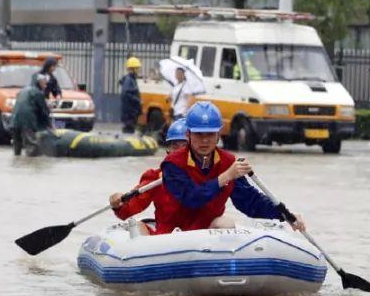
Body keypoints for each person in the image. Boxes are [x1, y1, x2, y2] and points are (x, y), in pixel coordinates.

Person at [155, 102, 305, 234]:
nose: (205, 140)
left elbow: (249, 201)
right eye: (199, 134)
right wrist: (225, 177)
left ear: (219, 135)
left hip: (207, 231)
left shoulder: (228, 161)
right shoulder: (172, 163)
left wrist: (285, 214)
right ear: (188, 134)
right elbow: (192, 198)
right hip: (173, 234)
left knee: (226, 224)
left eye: (210, 134)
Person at [107, 119, 189, 230]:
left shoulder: (209, 173)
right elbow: (127, 210)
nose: (179, 152)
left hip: (200, 236)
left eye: (185, 146)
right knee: (137, 227)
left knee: (219, 222)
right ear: (168, 149)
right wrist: (117, 204)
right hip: (166, 236)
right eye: (175, 146)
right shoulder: (155, 178)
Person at [12, 73, 53, 157]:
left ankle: (17, 165)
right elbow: (44, 111)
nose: (45, 84)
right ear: (38, 82)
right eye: (44, 82)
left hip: (15, 120)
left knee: (17, 146)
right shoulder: (38, 93)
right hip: (27, 121)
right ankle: (30, 164)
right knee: (32, 146)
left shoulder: (23, 90)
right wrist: (50, 125)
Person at [119, 57, 142, 133]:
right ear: (133, 69)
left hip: (131, 114)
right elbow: (126, 94)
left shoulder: (131, 79)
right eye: (137, 68)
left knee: (129, 132)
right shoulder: (129, 80)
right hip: (129, 114)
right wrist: (138, 101)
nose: (138, 70)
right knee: (128, 133)